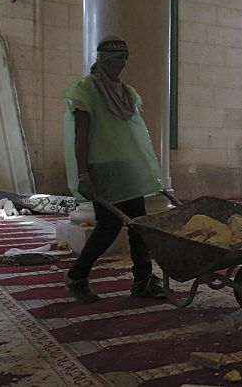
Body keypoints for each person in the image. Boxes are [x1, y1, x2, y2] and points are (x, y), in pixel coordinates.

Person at [62, 36, 165, 303]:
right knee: (108, 227)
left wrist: (145, 168)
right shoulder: (85, 90)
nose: (120, 65)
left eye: (123, 60)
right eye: (114, 60)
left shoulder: (127, 93)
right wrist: (83, 174)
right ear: (102, 60)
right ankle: (77, 276)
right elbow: (81, 135)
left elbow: (133, 135)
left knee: (139, 225)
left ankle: (142, 280)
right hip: (103, 168)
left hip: (127, 167)